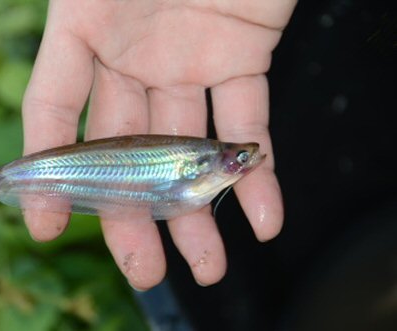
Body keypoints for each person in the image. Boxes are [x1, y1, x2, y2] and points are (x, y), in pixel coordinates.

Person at [22, 0, 297, 291]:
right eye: (241, 157)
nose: (245, 159)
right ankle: (2, 181)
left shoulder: (208, 163)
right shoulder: (206, 161)